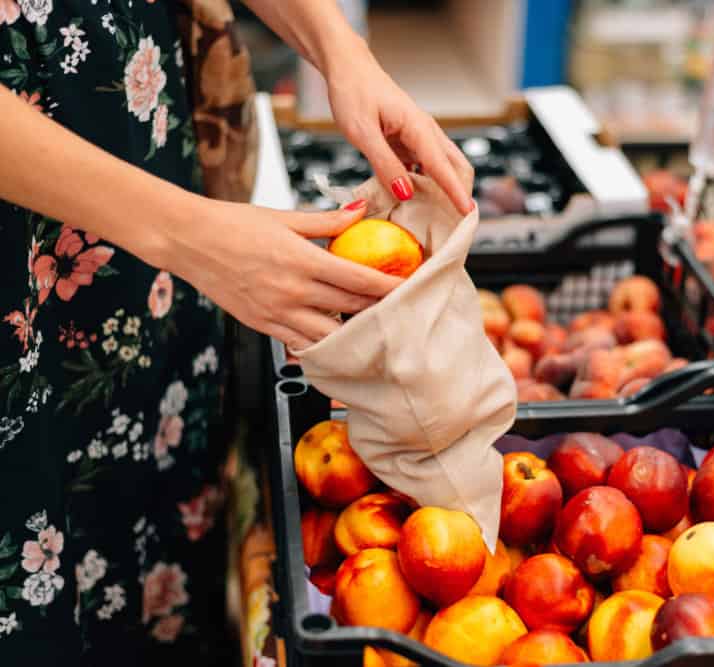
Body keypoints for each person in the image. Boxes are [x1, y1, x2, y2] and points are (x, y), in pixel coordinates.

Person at [0, 0, 473, 664]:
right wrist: (185, 234)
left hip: (136, 174)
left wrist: (337, 46)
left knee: (143, 544)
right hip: (26, 254)